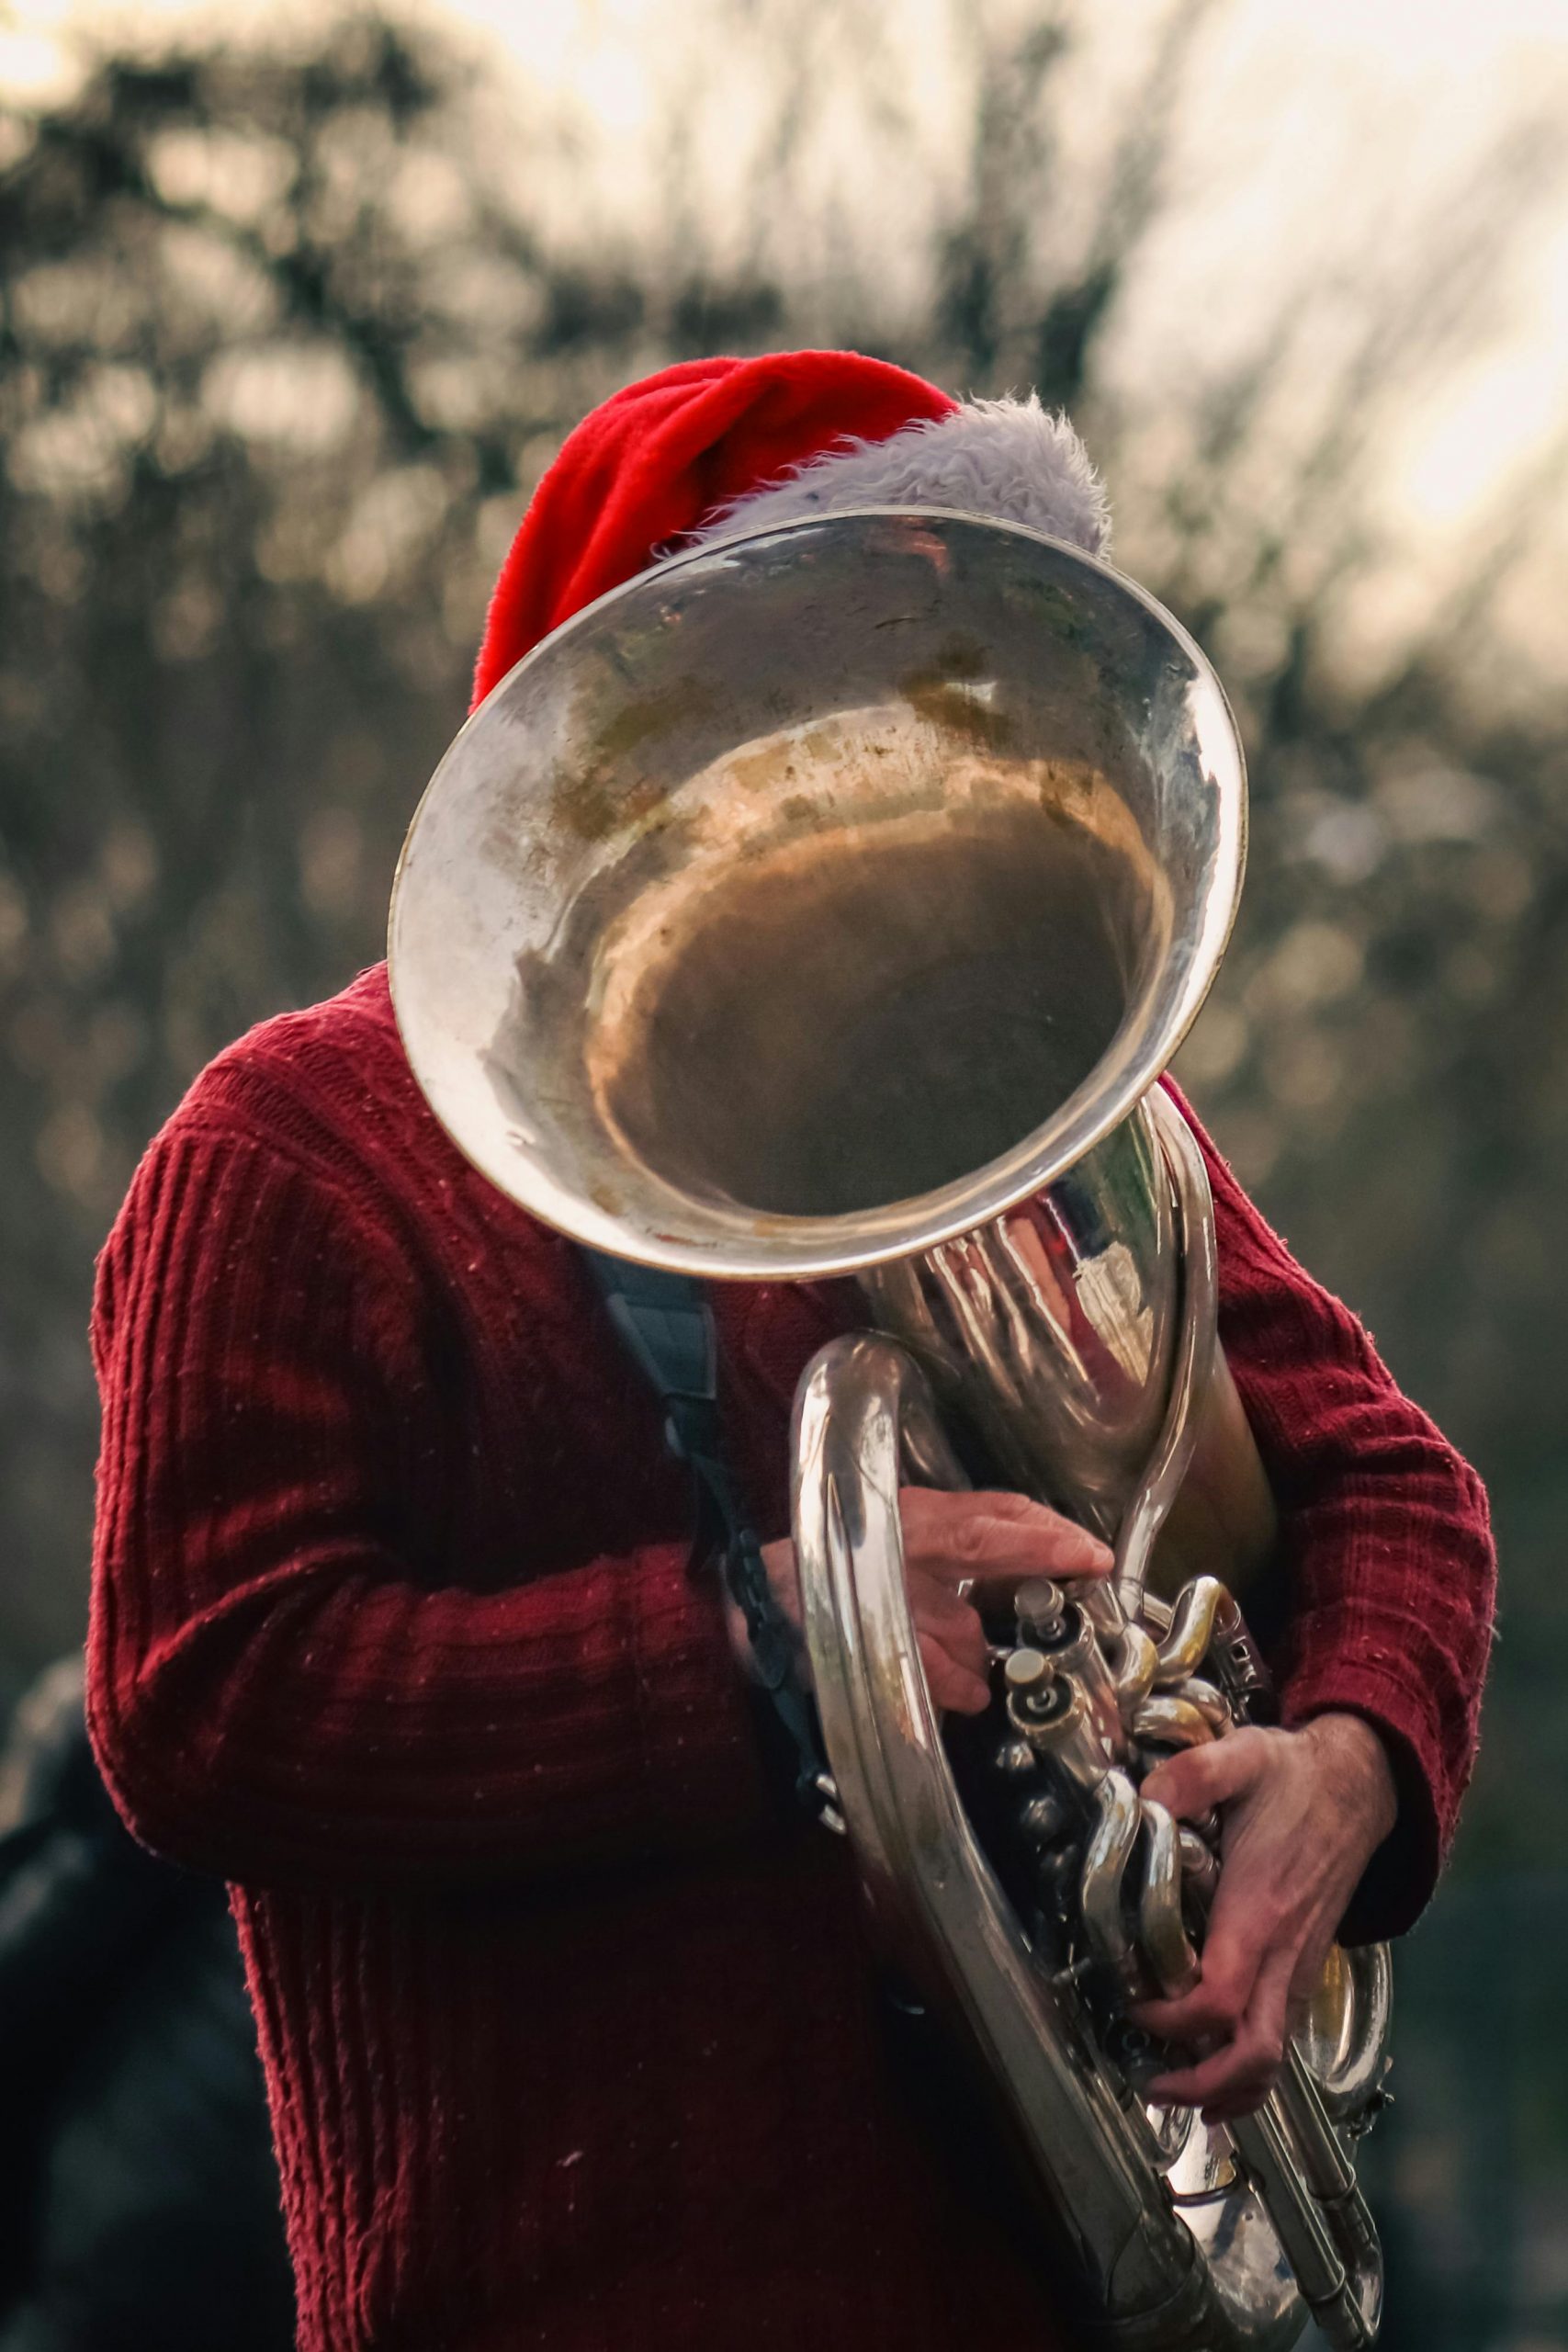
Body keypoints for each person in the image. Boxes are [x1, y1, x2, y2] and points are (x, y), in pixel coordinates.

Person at [85, 351, 1495, 2352]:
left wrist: (1349, 1759)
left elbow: (1386, 1475)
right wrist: (776, 1641)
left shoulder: (1059, 1110)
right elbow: (199, 1693)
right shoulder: (296, 1143)